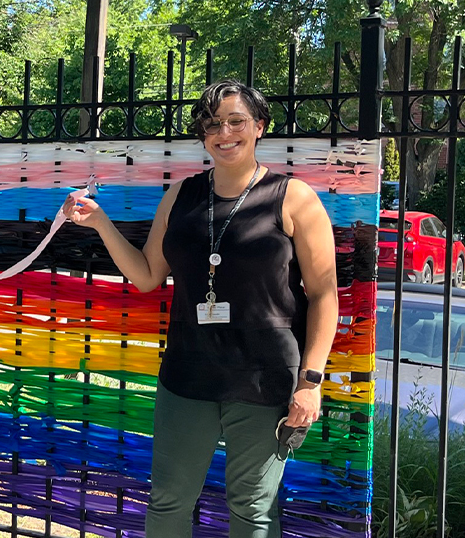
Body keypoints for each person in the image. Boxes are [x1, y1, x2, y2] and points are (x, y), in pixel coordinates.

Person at [63, 80, 337, 538]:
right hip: (188, 376)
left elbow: (324, 294)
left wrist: (310, 381)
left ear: (260, 127)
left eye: (236, 121)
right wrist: (100, 222)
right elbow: (149, 275)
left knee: (253, 509)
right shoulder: (181, 196)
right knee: (168, 501)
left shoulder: (292, 197)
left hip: (266, 378)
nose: (224, 132)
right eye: (212, 124)